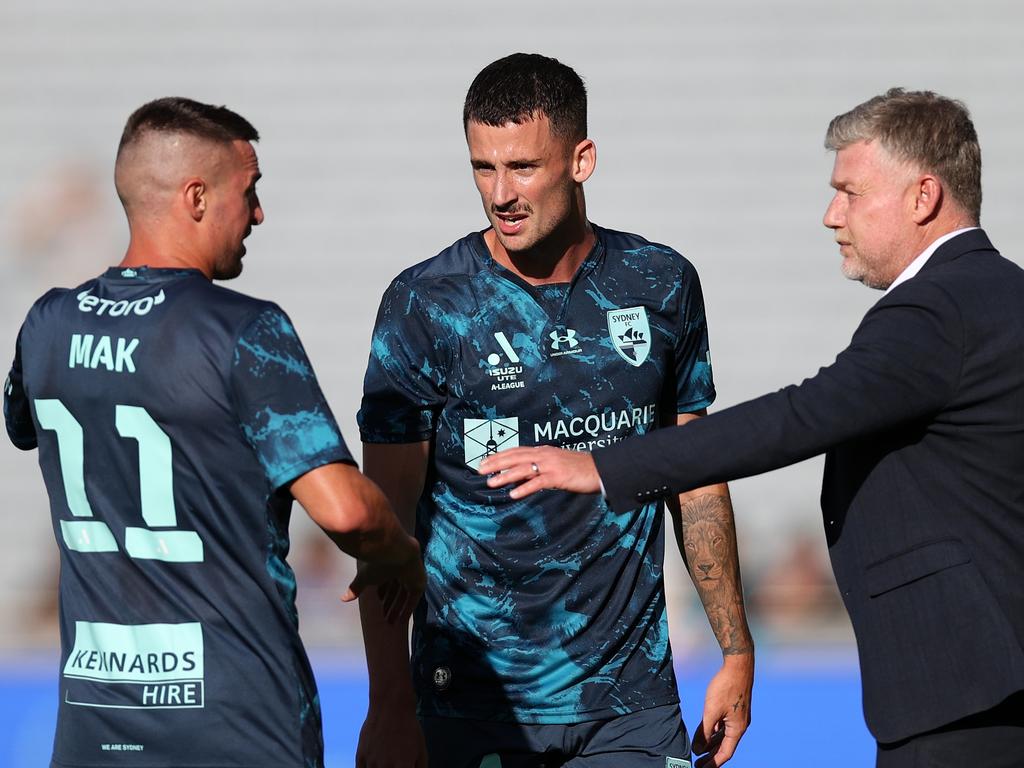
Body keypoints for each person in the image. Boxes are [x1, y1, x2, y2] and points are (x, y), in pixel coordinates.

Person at [481, 88, 1024, 767]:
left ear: (922, 197)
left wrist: (605, 466)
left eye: (850, 193)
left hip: (966, 695)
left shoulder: (937, 309)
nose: (832, 216)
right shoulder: (1003, 294)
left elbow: (798, 417)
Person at [357, 53, 753, 768]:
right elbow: (387, 522)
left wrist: (735, 647)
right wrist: (387, 705)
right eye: (483, 167)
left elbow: (696, 477)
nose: (500, 193)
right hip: (472, 704)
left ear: (582, 159)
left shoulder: (661, 284)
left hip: (630, 707)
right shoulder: (424, 304)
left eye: (523, 168)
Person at [3, 97, 424, 768]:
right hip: (237, 726)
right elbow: (344, 511)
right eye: (248, 192)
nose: (257, 214)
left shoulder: (47, 325)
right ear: (196, 197)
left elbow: (24, 426)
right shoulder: (242, 331)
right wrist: (401, 551)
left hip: (93, 732)